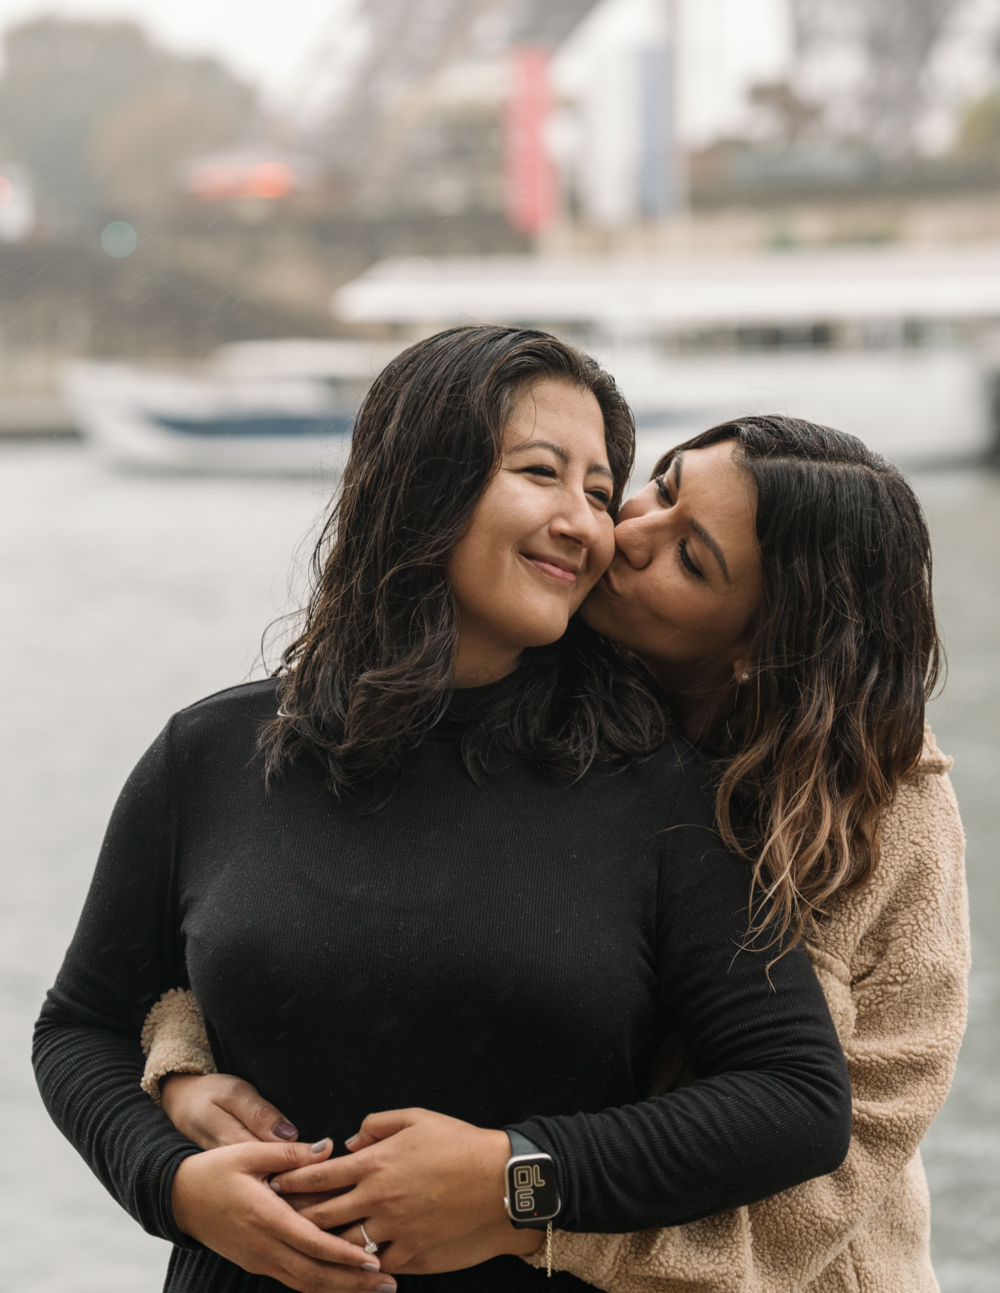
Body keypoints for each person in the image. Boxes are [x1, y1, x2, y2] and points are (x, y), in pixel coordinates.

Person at [33, 333, 851, 1293]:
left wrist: (520, 1179)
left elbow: (795, 1102)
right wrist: (172, 1184)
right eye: (540, 473)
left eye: (598, 491)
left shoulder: (662, 796)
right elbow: (80, 1024)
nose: (585, 525)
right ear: (422, 480)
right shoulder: (212, 753)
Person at [149, 414, 969, 1293]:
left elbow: (813, 1186)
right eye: (660, 485)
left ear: (755, 652)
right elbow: (310, 900)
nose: (624, 536)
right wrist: (183, 1062)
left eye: (690, 559)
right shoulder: (533, 668)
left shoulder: (886, 822)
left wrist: (513, 1204)